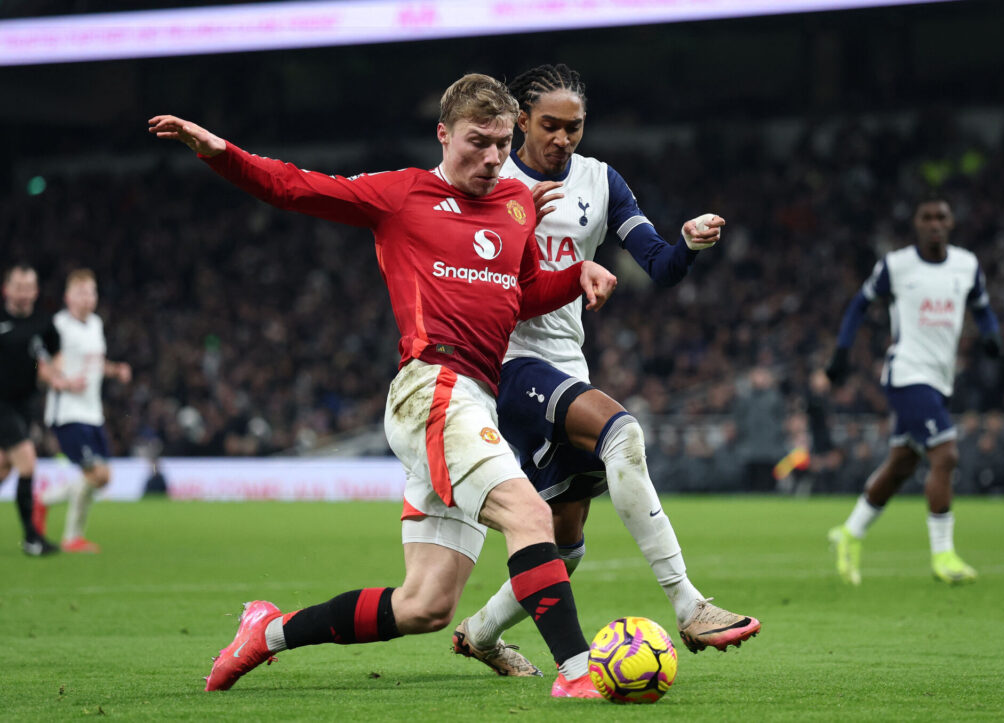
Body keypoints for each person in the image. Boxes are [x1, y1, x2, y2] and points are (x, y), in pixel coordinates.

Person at [149, 72, 618, 698]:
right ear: (444, 134)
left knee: (426, 604)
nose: (493, 157)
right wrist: (220, 152)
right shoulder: (400, 195)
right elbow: (294, 187)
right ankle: (579, 673)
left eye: (503, 144)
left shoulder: (515, 205)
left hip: (476, 396)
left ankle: (268, 633)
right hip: (433, 386)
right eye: (478, 142)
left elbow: (522, 292)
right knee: (531, 514)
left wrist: (576, 275)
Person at [450, 64, 760, 679]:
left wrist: (689, 245)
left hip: (567, 363)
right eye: (550, 126)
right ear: (521, 121)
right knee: (624, 432)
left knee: (565, 544)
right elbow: (463, 272)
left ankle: (480, 634)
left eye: (575, 127)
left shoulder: (600, 181)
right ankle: (688, 602)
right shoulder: (491, 177)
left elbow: (660, 267)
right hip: (506, 362)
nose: (564, 138)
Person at [825, 195, 1002, 585]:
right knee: (946, 453)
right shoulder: (897, 265)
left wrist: (990, 334)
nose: (935, 223)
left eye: (942, 216)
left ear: (951, 222)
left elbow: (983, 305)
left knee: (902, 464)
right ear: (917, 224)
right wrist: (841, 352)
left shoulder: (966, 265)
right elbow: (859, 304)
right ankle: (944, 556)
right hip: (906, 373)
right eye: (927, 217)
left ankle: (849, 533)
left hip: (940, 379)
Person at [35, 269, 132, 553]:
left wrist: (115, 370)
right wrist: (62, 381)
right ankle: (70, 536)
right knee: (98, 474)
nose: (87, 298)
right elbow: (39, 365)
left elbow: (96, 362)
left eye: (91, 292)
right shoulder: (58, 326)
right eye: (81, 292)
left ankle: (46, 501)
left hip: (92, 413)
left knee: (103, 477)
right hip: (67, 412)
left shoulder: (96, 325)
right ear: (68, 297)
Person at [0, 263, 77, 556]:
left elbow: (55, 352)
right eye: (18, 287)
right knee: (27, 462)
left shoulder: (43, 323)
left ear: (36, 291)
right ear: (6, 289)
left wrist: (55, 373)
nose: (24, 293)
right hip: (0, 405)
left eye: (29, 287)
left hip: (24, 406)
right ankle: (32, 539)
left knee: (4, 467)